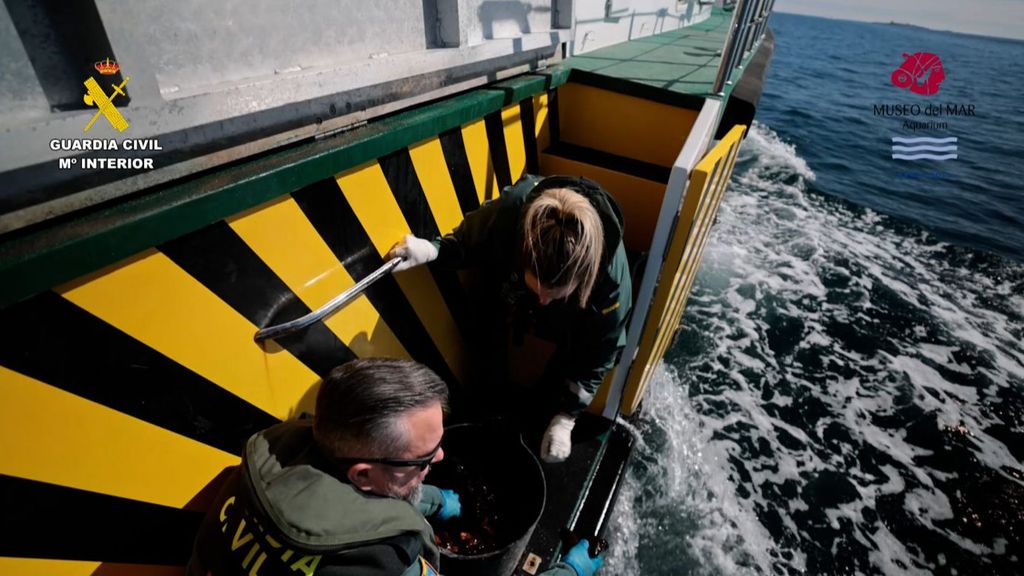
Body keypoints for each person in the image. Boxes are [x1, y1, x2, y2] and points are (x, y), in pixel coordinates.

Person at [186, 357, 604, 576]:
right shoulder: (383, 565)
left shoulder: (267, 463)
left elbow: (330, 502)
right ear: (363, 474)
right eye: (424, 458)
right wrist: (569, 571)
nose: (439, 459)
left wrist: (435, 502)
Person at [388, 175, 631, 464]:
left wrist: (566, 417)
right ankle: (488, 396)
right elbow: (469, 241)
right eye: (538, 290)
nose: (543, 301)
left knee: (569, 357)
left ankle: (547, 410)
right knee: (487, 322)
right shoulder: (512, 211)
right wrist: (433, 250)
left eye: (553, 295)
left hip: (573, 312)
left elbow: (600, 351)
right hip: (513, 284)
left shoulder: (611, 284)